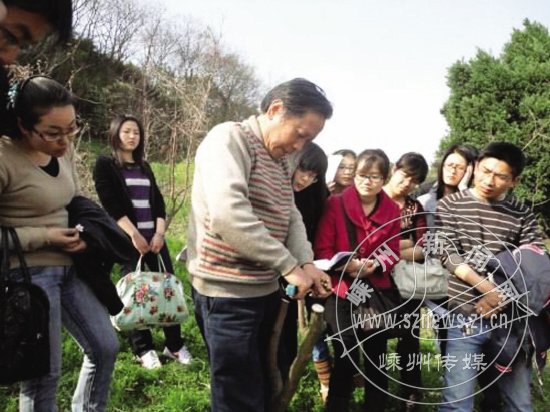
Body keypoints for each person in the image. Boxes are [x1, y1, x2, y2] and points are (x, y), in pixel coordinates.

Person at [187, 78, 334, 412]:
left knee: (268, 382)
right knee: (237, 395)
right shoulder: (229, 139)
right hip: (227, 295)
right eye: (300, 134)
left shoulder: (281, 160)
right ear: (276, 110)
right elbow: (227, 215)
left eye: (309, 140)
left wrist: (307, 263)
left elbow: (291, 214)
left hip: (264, 290)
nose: (300, 146)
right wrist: (287, 265)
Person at [0, 75, 118, 411]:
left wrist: (86, 238)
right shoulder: (4, 157)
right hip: (26, 277)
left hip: (71, 269)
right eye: (53, 133)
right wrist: (45, 237)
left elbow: (71, 201)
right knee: (43, 376)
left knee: (105, 347)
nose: (65, 141)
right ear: (24, 125)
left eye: (71, 129)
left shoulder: (62, 153)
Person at [436, 142, 545, 412]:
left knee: (518, 403)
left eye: (500, 176)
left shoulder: (522, 214)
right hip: (465, 317)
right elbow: (448, 255)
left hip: (512, 323)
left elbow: (535, 264)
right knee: (457, 402)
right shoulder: (449, 205)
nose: (489, 180)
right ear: (474, 168)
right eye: (484, 171)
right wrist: (486, 289)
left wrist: (501, 297)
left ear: (515, 180)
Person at [93, 114, 192, 369]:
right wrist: (134, 235)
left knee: (167, 288)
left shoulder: (144, 167)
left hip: (155, 240)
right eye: (126, 131)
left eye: (136, 132)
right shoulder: (105, 165)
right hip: (127, 242)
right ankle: (144, 348)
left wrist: (159, 234)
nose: (131, 136)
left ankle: (174, 345)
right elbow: (110, 204)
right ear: (116, 134)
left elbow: (157, 202)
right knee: (136, 293)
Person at [315, 148, 401, 411]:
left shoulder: (391, 211)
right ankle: (337, 406)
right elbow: (322, 249)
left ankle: (375, 406)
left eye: (375, 176)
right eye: (362, 174)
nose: (367, 181)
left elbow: (393, 250)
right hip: (341, 288)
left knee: (376, 355)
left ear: (384, 179)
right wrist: (347, 264)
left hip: (374, 289)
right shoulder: (336, 204)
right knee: (345, 353)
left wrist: (374, 265)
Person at [285, 142, 332, 401]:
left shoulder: (318, 195)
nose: (306, 179)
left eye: (314, 176)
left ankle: (322, 379)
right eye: (303, 170)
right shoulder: (278, 189)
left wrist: (309, 264)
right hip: (277, 265)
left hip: (307, 265)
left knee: (310, 328)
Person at [383, 152, 429, 411]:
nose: (407, 183)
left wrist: (385, 249)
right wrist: (404, 242)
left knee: (409, 337)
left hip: (407, 283)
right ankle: (374, 391)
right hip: (372, 282)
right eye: (405, 175)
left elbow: (422, 249)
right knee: (373, 335)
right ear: (393, 169)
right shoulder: (372, 201)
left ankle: (411, 394)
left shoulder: (415, 208)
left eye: (414, 181)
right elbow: (362, 245)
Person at [417, 144, 477, 228]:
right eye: (449, 165)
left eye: (460, 168)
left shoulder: (473, 199)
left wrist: (463, 188)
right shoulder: (424, 194)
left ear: (468, 171)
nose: (453, 171)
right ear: (442, 166)